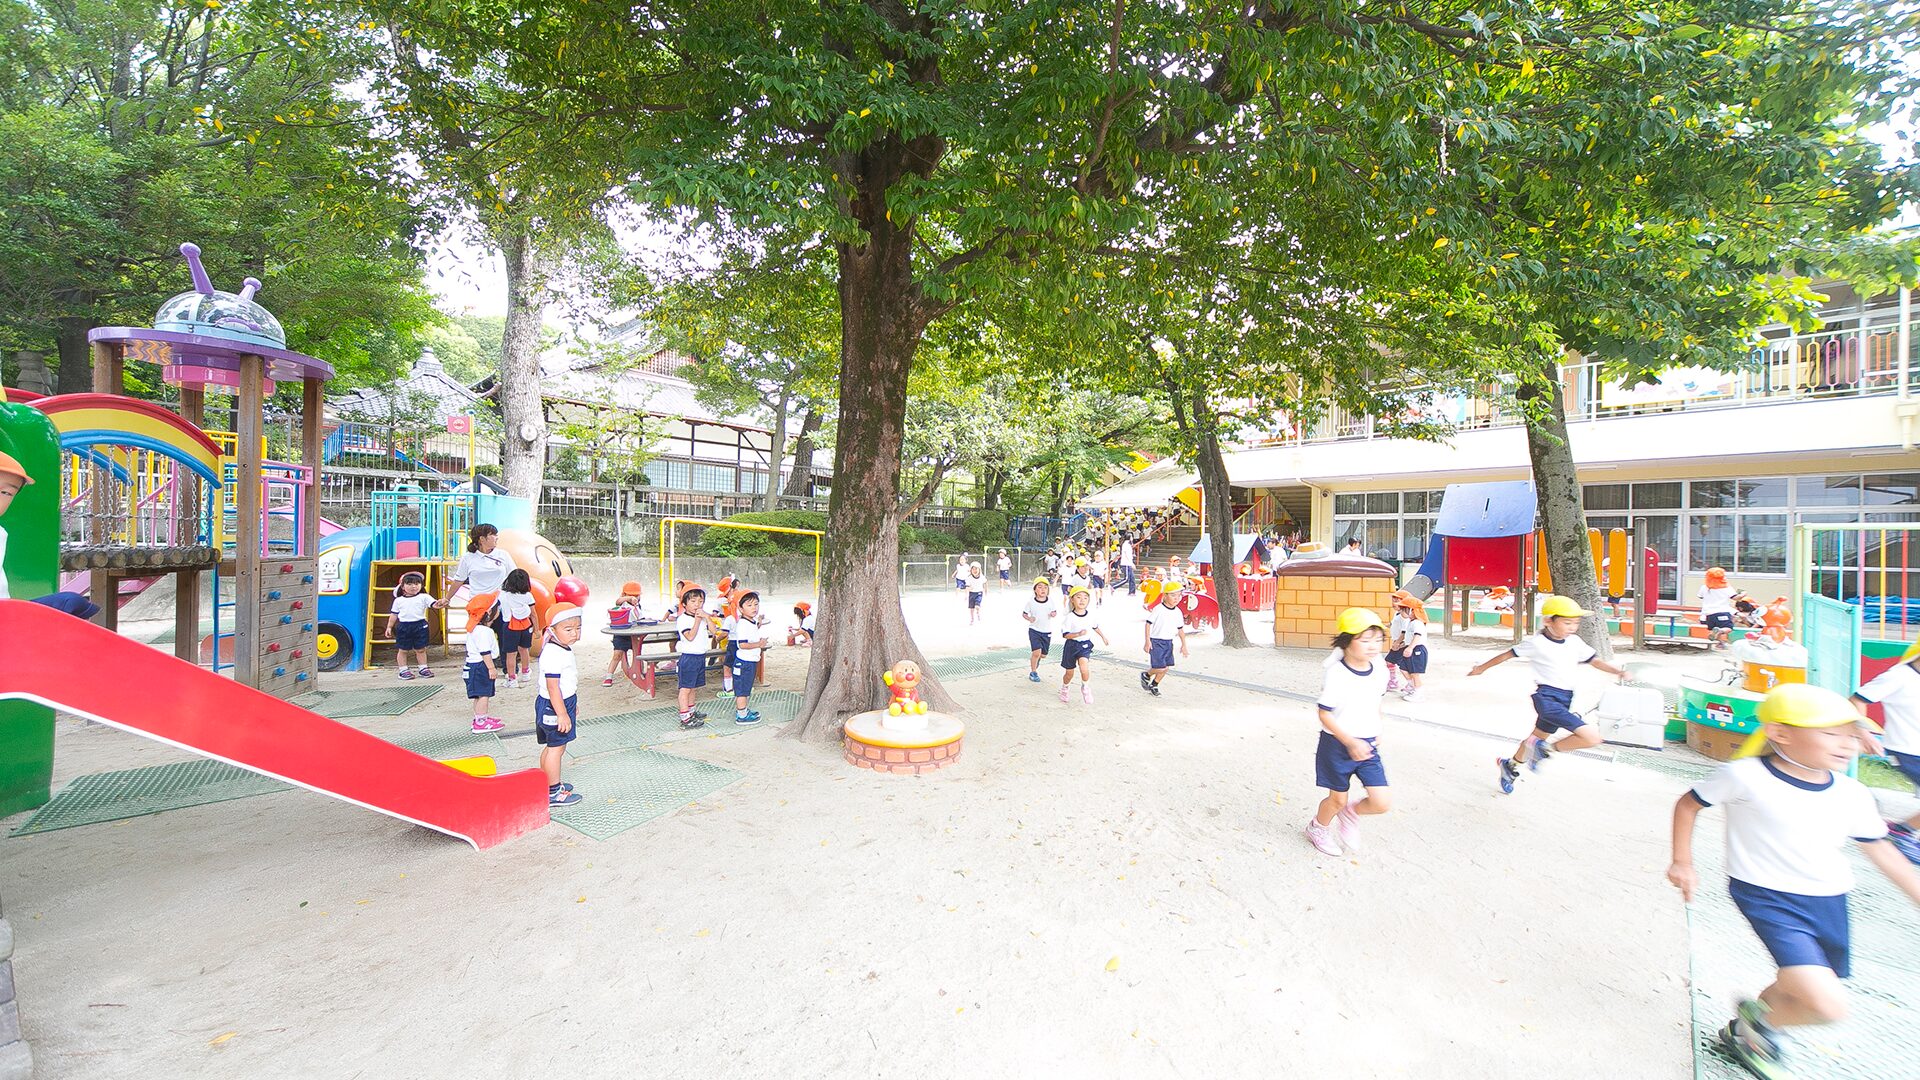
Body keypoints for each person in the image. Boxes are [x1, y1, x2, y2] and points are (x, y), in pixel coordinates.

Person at [1668, 684, 1920, 1079]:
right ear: (1779, 733)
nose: (1848, 744)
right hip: (1766, 895)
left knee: (1797, 983)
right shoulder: (1745, 775)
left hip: (1829, 899)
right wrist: (1683, 862)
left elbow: (1883, 851)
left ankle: (1749, 1026)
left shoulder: (1852, 793)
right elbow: (1689, 804)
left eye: (1853, 735)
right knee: (1827, 1005)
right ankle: (1759, 1028)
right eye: (1831, 733)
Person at [1469, 595, 1629, 794]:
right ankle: (1544, 750)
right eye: (1567, 623)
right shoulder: (1536, 643)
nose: (1572, 627)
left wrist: (1617, 672)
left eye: (1576, 623)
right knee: (1592, 738)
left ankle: (1510, 765)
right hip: (1546, 698)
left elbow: (1594, 661)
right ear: (1548, 621)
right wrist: (1481, 668)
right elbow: (1506, 655)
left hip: (1565, 698)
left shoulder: (1575, 642)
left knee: (1535, 738)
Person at [1304, 608, 1394, 856]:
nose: (1373, 646)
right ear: (1346, 641)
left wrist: (1378, 728)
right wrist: (1350, 741)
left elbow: (1376, 701)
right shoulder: (1337, 673)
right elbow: (1324, 713)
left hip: (1368, 744)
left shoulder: (1380, 669)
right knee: (1337, 800)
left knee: (1381, 802)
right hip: (1336, 745)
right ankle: (1317, 828)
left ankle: (1351, 813)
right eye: (1365, 640)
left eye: (1378, 640)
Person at [1851, 639, 1920, 864]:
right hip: (1906, 750)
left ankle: (1902, 830)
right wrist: (1864, 733)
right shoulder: (1899, 676)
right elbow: (1857, 700)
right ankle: (1902, 832)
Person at [534, 603, 585, 807]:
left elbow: (566, 682)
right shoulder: (553, 653)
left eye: (578, 628)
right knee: (556, 748)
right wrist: (562, 713)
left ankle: (545, 783)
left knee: (553, 746)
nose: (575, 633)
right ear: (553, 630)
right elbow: (553, 687)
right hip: (554, 705)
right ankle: (553, 792)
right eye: (568, 629)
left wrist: (572, 704)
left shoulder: (561, 648)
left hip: (560, 702)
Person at [438, 523, 511, 619]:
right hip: (477, 604)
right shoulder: (468, 557)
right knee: (478, 629)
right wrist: (447, 598)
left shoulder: (503, 555)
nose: (497, 537)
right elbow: (459, 580)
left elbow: (514, 575)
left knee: (501, 628)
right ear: (482, 539)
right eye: (493, 534)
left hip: (499, 603)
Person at [1057, 586, 1110, 704]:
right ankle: (1065, 688)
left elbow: (1095, 627)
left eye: (1085, 598)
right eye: (1078, 597)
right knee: (1069, 673)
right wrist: (1077, 634)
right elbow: (1065, 635)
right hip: (1071, 646)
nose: (1082, 600)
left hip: (1085, 645)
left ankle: (1085, 687)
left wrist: (1103, 637)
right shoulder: (1069, 617)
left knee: (1084, 668)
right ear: (1072, 600)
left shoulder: (1090, 615)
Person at [727, 591, 770, 725]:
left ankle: (744, 710)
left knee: (746, 688)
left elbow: (754, 628)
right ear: (740, 608)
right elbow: (742, 644)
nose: (754, 608)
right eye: (749, 605)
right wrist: (759, 644)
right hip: (744, 663)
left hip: (750, 661)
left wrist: (760, 621)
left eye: (756, 604)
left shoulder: (751, 621)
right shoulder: (742, 624)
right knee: (742, 690)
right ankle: (742, 715)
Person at [463, 595, 504, 734]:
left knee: (479, 695)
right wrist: (491, 668)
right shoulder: (484, 631)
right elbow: (485, 652)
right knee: (484, 695)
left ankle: (480, 717)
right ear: (489, 612)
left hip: (474, 666)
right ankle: (481, 723)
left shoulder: (475, 628)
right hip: (481, 666)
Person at [384, 571, 437, 680]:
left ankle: (423, 668)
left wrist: (441, 603)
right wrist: (389, 627)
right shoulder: (398, 601)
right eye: (409, 584)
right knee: (403, 650)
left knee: (421, 649)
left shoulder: (424, 597)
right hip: (404, 627)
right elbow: (394, 614)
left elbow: (435, 604)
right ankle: (403, 670)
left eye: (417, 583)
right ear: (402, 586)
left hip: (420, 625)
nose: (414, 586)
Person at [1139, 584, 1188, 697]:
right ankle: (1147, 674)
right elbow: (1148, 624)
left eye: (1179, 595)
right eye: (1173, 595)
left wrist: (1184, 645)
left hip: (1168, 642)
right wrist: (1147, 640)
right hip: (1157, 641)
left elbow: (1180, 629)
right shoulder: (1159, 609)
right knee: (1160, 667)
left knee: (1166, 667)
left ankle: (1154, 684)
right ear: (1165, 596)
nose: (1176, 598)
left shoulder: (1178, 612)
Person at [674, 587, 711, 730]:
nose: (697, 604)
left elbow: (714, 630)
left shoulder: (701, 617)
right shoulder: (683, 619)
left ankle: (691, 711)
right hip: (689, 658)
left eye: (700, 601)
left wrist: (706, 618)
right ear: (684, 604)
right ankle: (685, 718)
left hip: (700, 656)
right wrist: (697, 621)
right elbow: (690, 636)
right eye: (693, 601)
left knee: (693, 687)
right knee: (685, 689)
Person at [497, 569, 537, 689]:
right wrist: (537, 629)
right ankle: (525, 672)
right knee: (524, 650)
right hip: (526, 625)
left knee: (511, 654)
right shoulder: (528, 596)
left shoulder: (503, 596)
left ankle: (512, 678)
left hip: (509, 626)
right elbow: (533, 614)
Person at [603, 582, 644, 687]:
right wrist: (628, 598)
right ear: (624, 594)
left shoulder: (638, 605)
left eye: (636, 595)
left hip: (634, 634)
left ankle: (641, 673)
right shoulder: (623, 603)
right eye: (631, 595)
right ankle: (609, 676)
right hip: (621, 634)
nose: (634, 598)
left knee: (638, 654)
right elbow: (618, 601)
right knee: (617, 654)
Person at [1021, 578, 1060, 684]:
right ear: (1035, 589)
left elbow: (1054, 611)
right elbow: (1024, 613)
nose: (1043, 589)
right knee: (1036, 652)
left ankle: (1037, 659)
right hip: (1034, 630)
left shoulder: (1050, 601)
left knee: (1043, 655)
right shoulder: (1031, 602)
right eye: (1040, 587)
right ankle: (1033, 672)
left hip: (1046, 631)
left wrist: (1053, 614)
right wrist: (1029, 618)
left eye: (1045, 587)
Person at [1393, 591, 1429, 703]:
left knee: (1414, 673)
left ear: (1412, 611)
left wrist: (1410, 648)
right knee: (1403, 668)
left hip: (1417, 650)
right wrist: (1403, 645)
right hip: (1412, 647)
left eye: (1404, 609)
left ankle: (1418, 693)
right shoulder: (1411, 622)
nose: (1402, 611)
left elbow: (1417, 636)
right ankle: (1412, 686)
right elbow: (1410, 637)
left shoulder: (1417, 623)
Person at [1700, 566, 1737, 650]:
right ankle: (1720, 631)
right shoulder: (1727, 588)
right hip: (1722, 611)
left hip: (1709, 614)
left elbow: (1700, 596)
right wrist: (1743, 594)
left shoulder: (1704, 587)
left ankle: (1720, 643)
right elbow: (1735, 598)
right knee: (1728, 628)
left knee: (1714, 629)